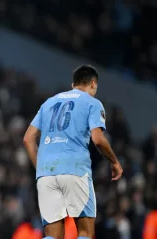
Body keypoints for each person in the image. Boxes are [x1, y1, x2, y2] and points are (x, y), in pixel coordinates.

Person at [23, 65, 123, 239]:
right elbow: (98, 139)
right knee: (85, 231)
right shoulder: (92, 103)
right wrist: (114, 161)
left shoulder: (49, 103)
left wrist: (40, 168)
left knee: (52, 235)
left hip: (46, 174)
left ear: (73, 84)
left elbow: (28, 138)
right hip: (75, 169)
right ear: (93, 83)